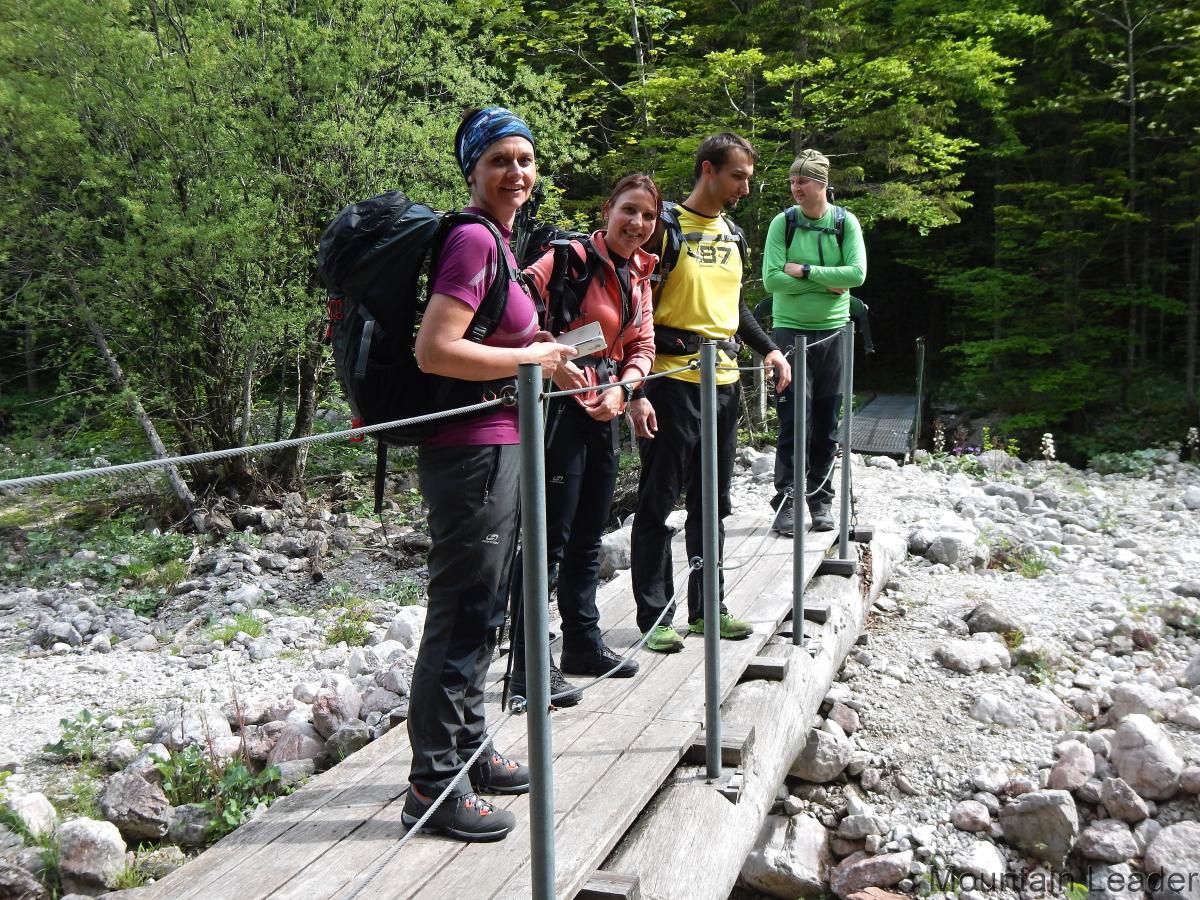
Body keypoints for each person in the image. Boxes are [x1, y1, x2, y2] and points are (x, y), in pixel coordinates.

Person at [401, 106, 578, 843]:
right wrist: (529, 358)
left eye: (525, 160)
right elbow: (435, 349)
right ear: (472, 169)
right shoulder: (474, 239)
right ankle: (434, 785)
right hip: (469, 450)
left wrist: (541, 349)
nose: (517, 172)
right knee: (463, 610)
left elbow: (491, 338)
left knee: (486, 605)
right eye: (500, 159)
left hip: (495, 443)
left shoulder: (500, 242)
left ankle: (470, 749)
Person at [629, 133, 791, 654]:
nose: (745, 187)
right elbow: (636, 303)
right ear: (708, 170)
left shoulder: (734, 234)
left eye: (748, 178)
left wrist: (769, 349)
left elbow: (734, 306)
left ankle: (708, 609)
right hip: (670, 381)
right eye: (737, 176)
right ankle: (655, 616)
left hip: (724, 384)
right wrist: (636, 384)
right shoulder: (664, 228)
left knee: (712, 503)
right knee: (658, 502)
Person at [508, 174, 662, 704]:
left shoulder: (640, 273)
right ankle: (529, 666)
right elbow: (511, 304)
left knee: (589, 535)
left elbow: (643, 344)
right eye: (629, 211)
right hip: (556, 412)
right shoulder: (566, 258)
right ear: (607, 210)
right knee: (547, 541)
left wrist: (627, 388)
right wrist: (545, 354)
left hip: (605, 409)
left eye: (648, 216)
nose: (638, 223)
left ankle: (582, 642)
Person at [761, 149, 867, 535]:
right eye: (792, 181)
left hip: (834, 334)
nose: (796, 187)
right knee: (793, 421)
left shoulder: (844, 222)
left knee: (827, 422)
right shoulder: (783, 223)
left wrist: (805, 271)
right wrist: (828, 282)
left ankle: (820, 501)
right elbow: (772, 280)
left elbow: (856, 275)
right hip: (790, 334)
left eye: (802, 181)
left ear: (821, 183)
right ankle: (787, 503)